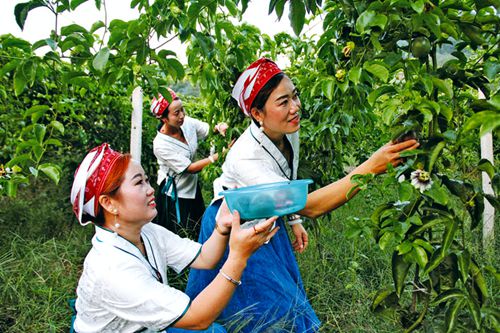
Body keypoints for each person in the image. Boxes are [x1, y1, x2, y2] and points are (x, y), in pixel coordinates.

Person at [185, 58, 419, 332]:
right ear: (258, 114)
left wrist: (294, 220)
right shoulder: (245, 156)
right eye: (283, 102)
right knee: (267, 310)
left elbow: (287, 182)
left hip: (266, 216)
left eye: (294, 96)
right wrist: (370, 168)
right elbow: (309, 205)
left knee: (265, 306)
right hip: (233, 225)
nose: (295, 107)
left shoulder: (287, 129)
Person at [69, 143, 279, 333]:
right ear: (108, 203)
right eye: (138, 183)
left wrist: (222, 227)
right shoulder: (112, 269)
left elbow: (205, 258)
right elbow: (197, 319)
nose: (151, 190)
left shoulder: (146, 232)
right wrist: (238, 258)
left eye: (148, 180)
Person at [151, 88, 229, 238]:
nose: (182, 116)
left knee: (197, 225)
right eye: (176, 113)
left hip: (191, 187)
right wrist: (221, 155)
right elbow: (190, 168)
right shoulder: (161, 144)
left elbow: (208, 130)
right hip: (175, 193)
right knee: (179, 231)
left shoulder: (187, 124)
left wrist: (220, 127)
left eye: (182, 110)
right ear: (164, 119)